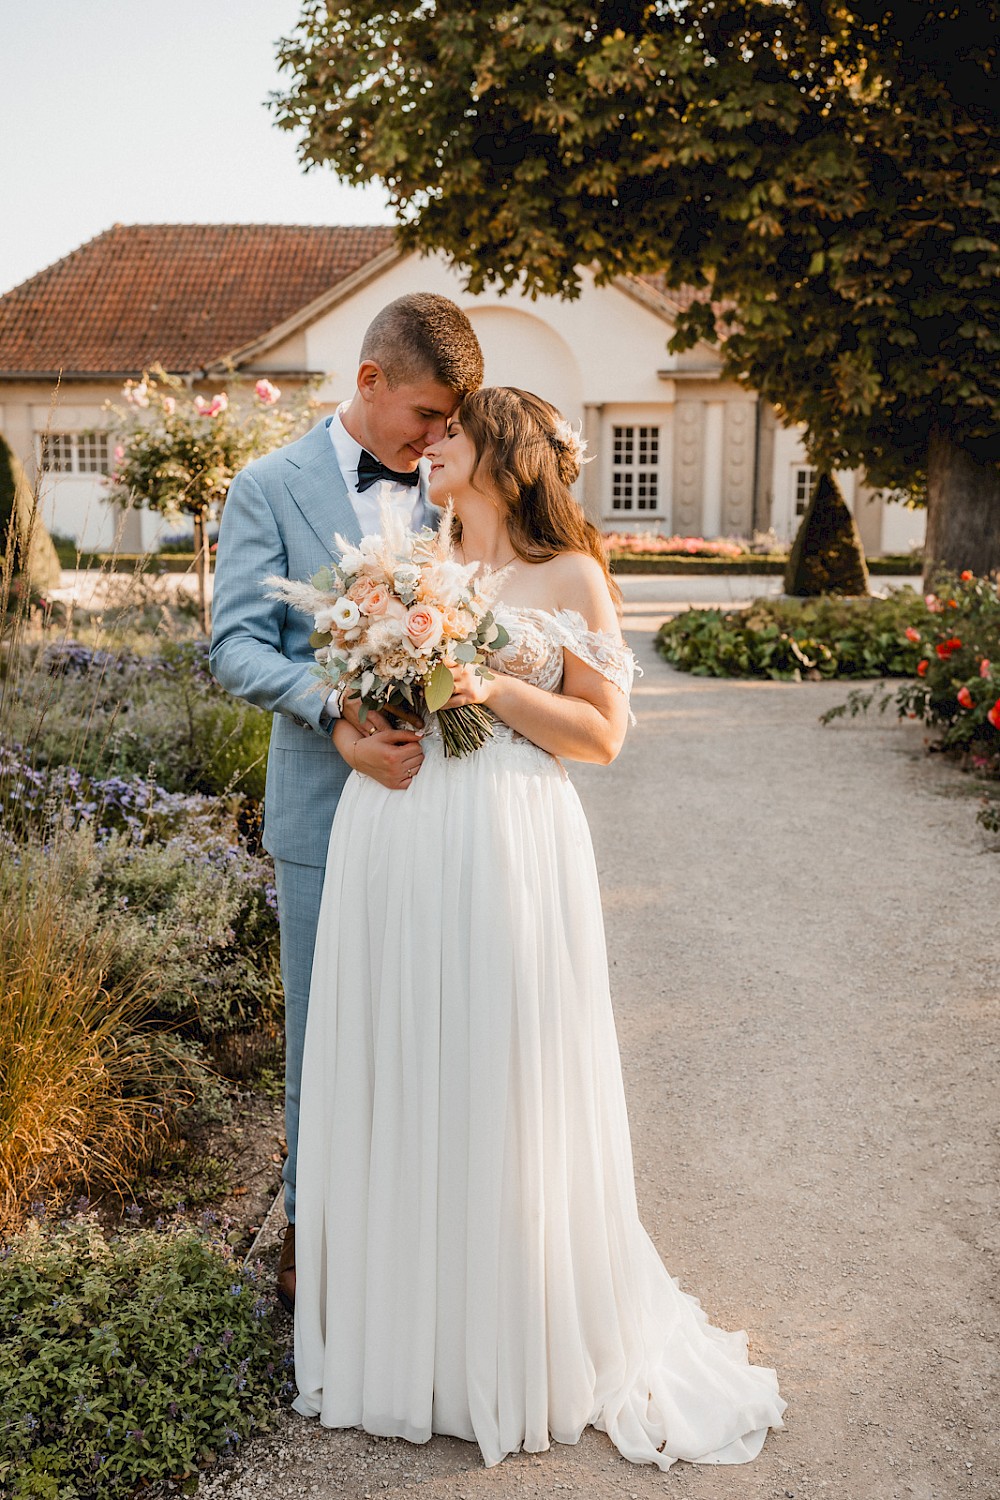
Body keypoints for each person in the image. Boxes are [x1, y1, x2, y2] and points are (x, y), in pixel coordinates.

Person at [291, 387, 786, 1470]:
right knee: (404, 1062)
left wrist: (488, 686)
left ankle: (511, 1337)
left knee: (498, 1063)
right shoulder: (405, 562)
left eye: (451, 434)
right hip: (399, 832)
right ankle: (410, 1342)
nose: (430, 447)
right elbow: (368, 689)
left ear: (506, 456)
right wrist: (368, 705)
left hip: (507, 834)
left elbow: (604, 738)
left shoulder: (571, 577)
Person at [209, 294, 485, 1310]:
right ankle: (313, 1246)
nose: (437, 438)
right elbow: (236, 643)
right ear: (368, 384)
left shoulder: (461, 488)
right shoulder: (265, 487)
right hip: (327, 812)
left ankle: (417, 1250)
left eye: (451, 421)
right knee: (322, 1035)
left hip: (443, 812)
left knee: (428, 1030)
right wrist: (334, 710)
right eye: (426, 415)